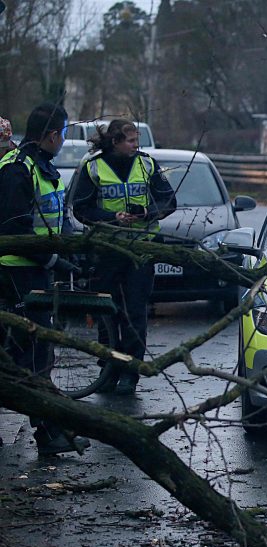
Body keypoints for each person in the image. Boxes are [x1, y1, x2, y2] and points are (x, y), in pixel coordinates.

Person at [0, 102, 91, 456]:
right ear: (52, 135)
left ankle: (52, 431)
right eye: (64, 133)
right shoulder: (17, 170)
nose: (64, 139)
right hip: (15, 272)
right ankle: (50, 433)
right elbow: (14, 229)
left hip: (34, 269)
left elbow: (54, 217)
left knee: (23, 354)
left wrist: (68, 253)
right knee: (35, 357)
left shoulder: (42, 168)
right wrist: (54, 258)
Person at [71, 119, 176, 395]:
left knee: (135, 312)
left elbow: (169, 200)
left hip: (141, 248)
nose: (136, 145)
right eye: (131, 140)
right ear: (115, 141)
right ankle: (108, 368)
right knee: (107, 312)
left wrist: (147, 213)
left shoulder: (147, 164)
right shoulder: (93, 167)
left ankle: (131, 372)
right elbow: (81, 209)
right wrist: (111, 218)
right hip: (107, 250)